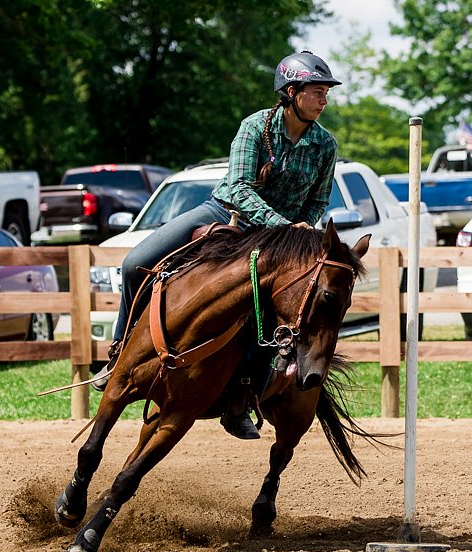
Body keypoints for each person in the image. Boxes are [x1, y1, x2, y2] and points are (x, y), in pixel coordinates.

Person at [94, 51, 342, 440]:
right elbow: (239, 188)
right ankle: (119, 352)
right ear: (291, 92)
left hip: (278, 243)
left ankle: (240, 401)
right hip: (223, 214)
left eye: (326, 92)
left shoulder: (325, 145)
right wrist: (282, 224)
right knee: (133, 262)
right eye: (317, 91)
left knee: (269, 320)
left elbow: (317, 200)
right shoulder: (255, 128)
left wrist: (302, 229)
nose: (324, 99)